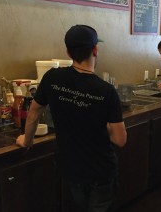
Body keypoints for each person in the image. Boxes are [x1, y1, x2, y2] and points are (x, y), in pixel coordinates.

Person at [16, 24, 127, 212]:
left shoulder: (52, 78)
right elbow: (120, 139)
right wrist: (98, 124)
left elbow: (34, 113)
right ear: (95, 50)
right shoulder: (106, 91)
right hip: (100, 171)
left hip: (71, 170)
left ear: (68, 52)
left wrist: (27, 140)